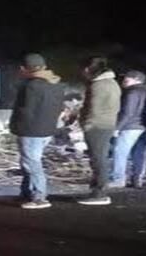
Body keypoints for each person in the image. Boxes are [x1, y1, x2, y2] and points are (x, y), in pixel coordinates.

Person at [9, 53, 64, 209]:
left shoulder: (29, 86)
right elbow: (59, 108)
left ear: (23, 68)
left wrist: (15, 127)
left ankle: (40, 197)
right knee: (29, 162)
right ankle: (26, 193)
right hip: (47, 130)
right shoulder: (56, 84)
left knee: (32, 163)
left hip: (30, 130)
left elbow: (24, 111)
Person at [77, 57, 121, 206]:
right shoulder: (112, 83)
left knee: (98, 160)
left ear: (89, 69)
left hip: (97, 126)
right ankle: (97, 191)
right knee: (100, 158)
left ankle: (99, 193)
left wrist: (86, 125)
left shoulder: (98, 85)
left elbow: (93, 108)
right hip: (107, 124)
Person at [109, 70, 146, 188]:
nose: (124, 80)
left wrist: (117, 127)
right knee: (139, 154)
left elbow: (128, 112)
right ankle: (137, 179)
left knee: (120, 152)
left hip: (130, 126)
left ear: (136, 79)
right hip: (143, 126)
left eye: (127, 78)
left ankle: (118, 179)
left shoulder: (132, 92)